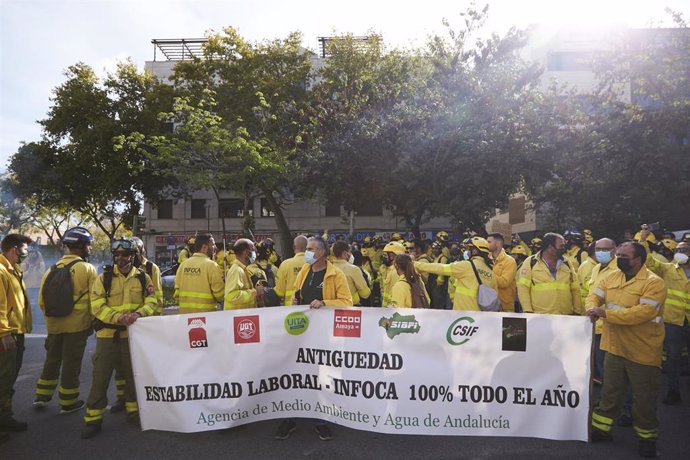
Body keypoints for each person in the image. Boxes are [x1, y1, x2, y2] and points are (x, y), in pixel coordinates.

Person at [587, 241, 666, 458]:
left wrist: (605, 315)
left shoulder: (654, 283)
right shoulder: (612, 277)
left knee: (644, 399)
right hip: (614, 346)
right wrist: (591, 308)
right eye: (618, 254)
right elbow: (594, 295)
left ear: (638, 260)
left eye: (623, 256)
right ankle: (601, 430)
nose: (619, 258)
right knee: (610, 393)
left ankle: (647, 439)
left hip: (643, 350)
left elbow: (643, 312)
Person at [275, 236, 351, 441]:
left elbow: (347, 302)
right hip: (300, 333)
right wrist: (294, 301)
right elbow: (296, 296)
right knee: (296, 375)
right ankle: (291, 418)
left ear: (321, 252)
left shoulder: (336, 274)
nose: (306, 252)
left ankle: (321, 421)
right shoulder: (305, 271)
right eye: (306, 248)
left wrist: (325, 302)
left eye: (310, 249)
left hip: (323, 337)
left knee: (320, 377)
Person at [81, 238, 158, 439]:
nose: (121, 258)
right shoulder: (103, 278)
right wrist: (118, 317)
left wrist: (139, 314)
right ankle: (93, 419)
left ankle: (133, 412)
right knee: (101, 377)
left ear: (133, 256)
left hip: (133, 337)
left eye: (125, 255)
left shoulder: (143, 278)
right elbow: (96, 305)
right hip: (107, 337)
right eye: (117, 255)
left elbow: (153, 301)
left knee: (133, 375)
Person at [33, 227, 97, 414]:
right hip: (77, 326)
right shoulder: (87, 269)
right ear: (81, 246)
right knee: (71, 363)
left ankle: (41, 396)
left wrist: (52, 322)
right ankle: (68, 402)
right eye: (88, 245)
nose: (90, 248)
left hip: (54, 326)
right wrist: (93, 322)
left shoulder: (52, 269)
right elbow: (95, 300)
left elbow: (41, 302)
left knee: (51, 360)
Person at [110, 236, 163, 414]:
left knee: (141, 365)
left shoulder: (150, 269)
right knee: (120, 365)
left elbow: (157, 298)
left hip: (143, 327)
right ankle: (121, 398)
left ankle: (142, 399)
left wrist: (150, 321)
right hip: (121, 328)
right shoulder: (116, 270)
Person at [639, 231, 690, 406]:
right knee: (673, 359)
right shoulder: (668, 268)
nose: (680, 253)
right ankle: (673, 392)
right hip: (673, 322)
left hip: (687, 320)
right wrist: (643, 240)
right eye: (678, 250)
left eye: (684, 250)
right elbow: (649, 261)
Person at [0, 233, 33, 435]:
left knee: (8, 378)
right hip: (6, 335)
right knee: (2, 379)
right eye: (25, 250)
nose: (26, 253)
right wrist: (3, 333)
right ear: (14, 250)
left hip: (15, 334)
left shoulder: (13, 270)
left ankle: (5, 416)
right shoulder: (2, 271)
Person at [415, 237, 497, 311]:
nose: (467, 251)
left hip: (463, 315)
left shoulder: (466, 265)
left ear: (475, 251)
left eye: (469, 249)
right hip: (481, 317)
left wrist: (415, 264)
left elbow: (440, 268)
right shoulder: (491, 272)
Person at [517, 233, 582, 315]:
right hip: (540, 316)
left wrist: (577, 311)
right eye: (561, 246)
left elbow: (575, 289)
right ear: (550, 247)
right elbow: (523, 288)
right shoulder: (531, 262)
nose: (564, 248)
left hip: (565, 316)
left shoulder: (567, 263)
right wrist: (528, 311)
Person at [586, 238, 619, 386]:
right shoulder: (595, 268)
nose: (600, 252)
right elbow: (593, 294)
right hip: (596, 325)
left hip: (612, 325)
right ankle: (606, 399)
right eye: (598, 249)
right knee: (601, 363)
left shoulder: (619, 269)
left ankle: (617, 403)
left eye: (605, 249)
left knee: (613, 368)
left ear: (614, 250)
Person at [174, 234, 224, 314]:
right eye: (213, 245)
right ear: (204, 248)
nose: (215, 248)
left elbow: (177, 294)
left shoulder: (183, 265)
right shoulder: (212, 265)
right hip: (206, 316)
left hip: (185, 316)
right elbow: (220, 295)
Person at [225, 239, 265, 310]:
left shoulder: (242, 269)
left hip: (241, 316)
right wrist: (255, 292)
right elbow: (232, 296)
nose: (256, 254)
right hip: (236, 317)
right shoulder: (236, 270)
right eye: (253, 251)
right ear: (246, 252)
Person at [331, 241, 370, 306]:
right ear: (344, 253)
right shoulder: (354, 269)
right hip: (351, 306)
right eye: (350, 252)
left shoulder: (329, 268)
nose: (351, 254)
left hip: (332, 306)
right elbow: (365, 294)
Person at [487, 233, 517, 313]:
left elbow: (504, 282)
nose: (486, 244)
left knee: (506, 326)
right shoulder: (485, 259)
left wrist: (486, 274)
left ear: (498, 243)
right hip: (489, 305)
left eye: (489, 242)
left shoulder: (509, 261)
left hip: (505, 307)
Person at [275, 236, 307, 305]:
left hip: (290, 307)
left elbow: (279, 292)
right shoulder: (313, 263)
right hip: (311, 307)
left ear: (293, 247)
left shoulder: (285, 264)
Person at [426, 241, 451, 309]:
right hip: (433, 283)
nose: (434, 250)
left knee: (438, 302)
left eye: (436, 249)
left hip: (439, 284)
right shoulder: (435, 258)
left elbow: (443, 270)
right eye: (433, 249)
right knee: (433, 301)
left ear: (440, 249)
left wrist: (440, 280)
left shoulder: (443, 258)